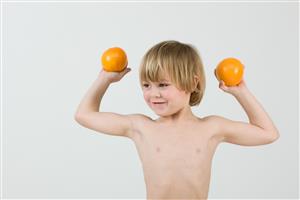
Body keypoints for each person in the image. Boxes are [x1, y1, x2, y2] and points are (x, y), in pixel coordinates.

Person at [74, 40, 279, 199]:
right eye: (146, 85)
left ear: (192, 82)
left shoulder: (211, 128)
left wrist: (240, 91)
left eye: (163, 85)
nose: (154, 94)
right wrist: (105, 79)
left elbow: (267, 133)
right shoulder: (140, 127)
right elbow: (84, 115)